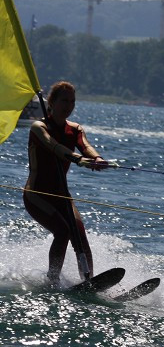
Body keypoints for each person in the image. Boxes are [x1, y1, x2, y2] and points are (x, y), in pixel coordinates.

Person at [24, 81, 108, 284]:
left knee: (79, 236)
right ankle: (52, 282)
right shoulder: (39, 127)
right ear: (51, 102)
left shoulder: (75, 129)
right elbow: (54, 146)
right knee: (62, 232)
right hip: (37, 194)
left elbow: (85, 146)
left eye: (72, 101)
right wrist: (78, 160)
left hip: (62, 195)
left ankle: (89, 280)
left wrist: (96, 159)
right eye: (64, 101)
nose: (69, 106)